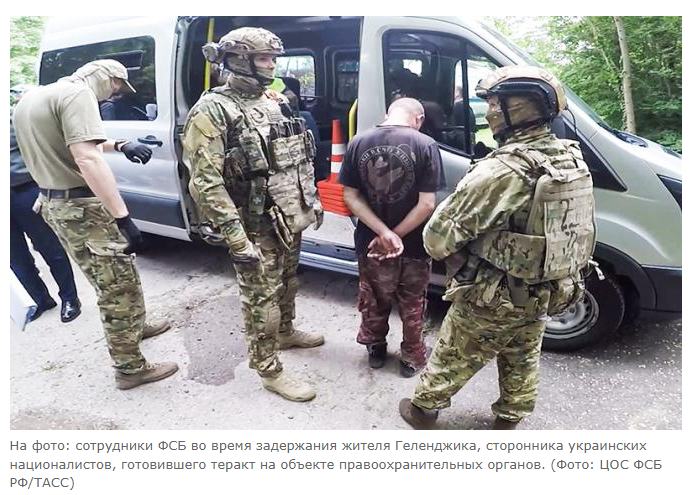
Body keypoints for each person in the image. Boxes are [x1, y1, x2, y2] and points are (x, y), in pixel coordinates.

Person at [399, 66, 596, 430]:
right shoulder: (567, 156)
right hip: (550, 285)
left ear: (518, 108)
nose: (488, 112)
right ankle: (510, 416)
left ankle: (423, 410)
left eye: (494, 103)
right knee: (523, 351)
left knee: (455, 351)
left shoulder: (504, 170)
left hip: (496, 292)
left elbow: (437, 240)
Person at [13, 60, 178, 390]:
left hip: (55, 203)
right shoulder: (78, 94)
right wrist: (123, 217)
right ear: (107, 77)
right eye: (117, 86)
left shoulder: (32, 98)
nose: (114, 94)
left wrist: (120, 144)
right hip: (81, 208)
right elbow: (86, 157)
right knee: (116, 287)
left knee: (113, 277)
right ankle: (130, 368)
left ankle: (134, 327)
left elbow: (75, 140)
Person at [182, 27, 324, 402]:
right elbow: (206, 182)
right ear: (239, 60)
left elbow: (292, 156)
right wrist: (236, 237)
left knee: (288, 282)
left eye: (273, 58)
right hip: (254, 224)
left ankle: (286, 333)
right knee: (262, 299)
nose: (272, 65)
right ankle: (268, 368)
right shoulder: (213, 110)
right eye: (264, 58)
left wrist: (310, 201)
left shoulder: (273, 101)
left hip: (287, 216)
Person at [339, 97, 445, 377]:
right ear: (419, 119)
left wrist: (383, 233)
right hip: (414, 244)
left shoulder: (358, 141)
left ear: (388, 114)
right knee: (412, 302)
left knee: (373, 297)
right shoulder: (426, 145)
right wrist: (395, 236)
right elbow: (427, 204)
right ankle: (411, 357)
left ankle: (375, 348)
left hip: (371, 242)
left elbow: (350, 196)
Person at [10, 85, 81, 323]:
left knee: (48, 246)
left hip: (26, 189)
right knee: (14, 256)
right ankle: (40, 299)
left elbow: (40, 149)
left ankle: (70, 298)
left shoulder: (15, 116)